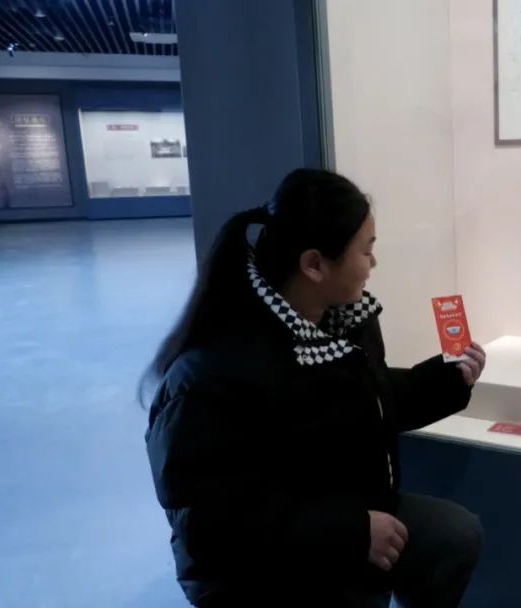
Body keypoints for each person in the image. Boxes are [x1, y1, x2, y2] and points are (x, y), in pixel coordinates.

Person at [142, 169, 486, 607]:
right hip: (257, 570)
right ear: (314, 265)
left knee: (452, 534)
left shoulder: (340, 322)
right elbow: (209, 525)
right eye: (366, 251)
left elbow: (367, 403)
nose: (373, 264)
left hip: (338, 515)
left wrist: (446, 379)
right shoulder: (214, 371)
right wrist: (352, 533)